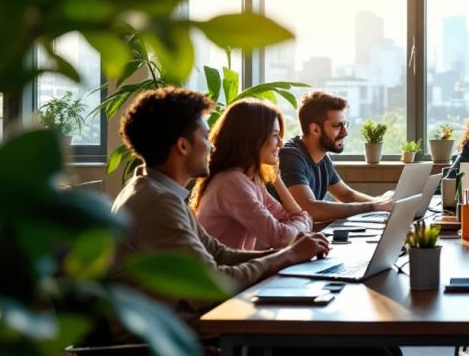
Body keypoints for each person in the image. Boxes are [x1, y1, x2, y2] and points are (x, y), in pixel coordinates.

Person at [111, 87, 329, 323]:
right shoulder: (158, 202)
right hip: (162, 335)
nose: (212, 146)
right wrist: (286, 257)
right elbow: (209, 288)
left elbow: (218, 253)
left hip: (180, 321)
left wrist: (287, 254)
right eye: (205, 137)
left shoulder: (158, 190)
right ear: (183, 146)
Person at [191, 99, 312, 250]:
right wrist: (304, 222)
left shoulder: (249, 179)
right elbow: (279, 238)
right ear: (252, 138)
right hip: (220, 272)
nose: (281, 144)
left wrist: (277, 180)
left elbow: (289, 218)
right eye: (275, 135)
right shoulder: (232, 183)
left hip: (237, 270)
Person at [277, 91, 393, 223]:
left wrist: (383, 202)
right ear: (315, 129)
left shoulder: (323, 158)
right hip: (284, 242)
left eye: (345, 125)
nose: (345, 133)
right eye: (337, 126)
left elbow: (346, 195)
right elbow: (310, 209)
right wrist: (374, 207)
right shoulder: (290, 156)